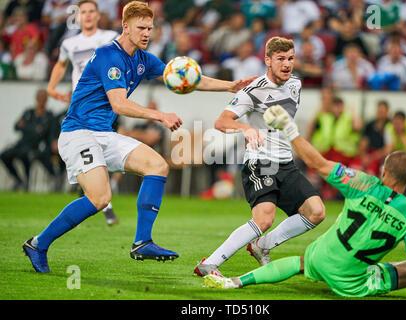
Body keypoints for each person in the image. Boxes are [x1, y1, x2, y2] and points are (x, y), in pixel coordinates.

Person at [22, 1, 256, 273]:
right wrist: (160, 115)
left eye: (150, 28)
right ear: (125, 27)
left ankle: (142, 241)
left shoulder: (143, 59)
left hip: (104, 134)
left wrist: (230, 86)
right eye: (141, 28)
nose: (147, 33)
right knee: (99, 199)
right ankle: (38, 244)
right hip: (78, 133)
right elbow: (119, 104)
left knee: (157, 165)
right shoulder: (110, 55)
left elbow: (185, 78)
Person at [203, 104, 406, 301]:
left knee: (301, 260)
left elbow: (318, 163)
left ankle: (235, 281)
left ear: (383, 172)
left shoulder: (361, 183)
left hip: (321, 258)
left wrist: (290, 130)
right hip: (351, 282)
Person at [194, 36, 325, 278]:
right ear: (267, 60)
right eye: (280, 59)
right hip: (260, 161)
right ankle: (209, 264)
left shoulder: (295, 84)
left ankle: (262, 246)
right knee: (264, 218)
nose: (287, 64)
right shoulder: (252, 91)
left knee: (316, 212)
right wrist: (246, 129)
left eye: (291, 59)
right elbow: (221, 121)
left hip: (285, 162)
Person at [46, 0, 120, 226]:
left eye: (91, 12)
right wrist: (51, 88)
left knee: (103, 153)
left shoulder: (109, 38)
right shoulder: (70, 43)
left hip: (106, 103)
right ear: (77, 17)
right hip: (80, 107)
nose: (87, 16)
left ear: (99, 15)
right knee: (92, 153)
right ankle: (103, 203)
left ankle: (97, 197)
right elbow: (60, 65)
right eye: (83, 12)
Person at [0, 89, 56, 191]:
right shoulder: (28, 112)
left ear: (46, 100)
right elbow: (16, 126)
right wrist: (34, 128)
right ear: (36, 98)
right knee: (4, 155)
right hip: (20, 144)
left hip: (35, 147)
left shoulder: (49, 116)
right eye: (39, 98)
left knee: (26, 155)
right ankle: (18, 180)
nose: (41, 100)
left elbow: (42, 133)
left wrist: (26, 126)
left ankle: (27, 183)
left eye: (43, 98)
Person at [353, 100, 391, 177]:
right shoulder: (370, 125)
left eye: (382, 111)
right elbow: (363, 143)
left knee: (371, 173)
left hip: (381, 157)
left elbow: (388, 149)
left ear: (387, 112)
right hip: (368, 154)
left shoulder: (390, 126)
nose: (380, 113)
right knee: (354, 170)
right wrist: (364, 156)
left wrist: (371, 158)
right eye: (379, 111)